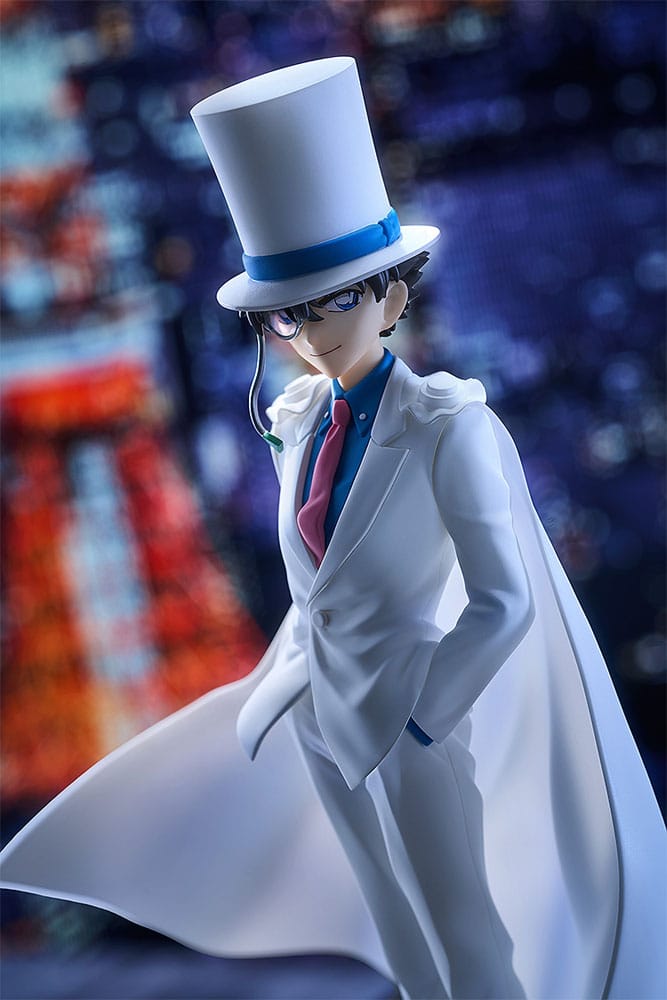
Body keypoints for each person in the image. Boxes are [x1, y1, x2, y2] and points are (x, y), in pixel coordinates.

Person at [1, 57, 664, 1000]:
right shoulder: (301, 419)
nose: (312, 333)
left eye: (338, 301)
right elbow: (317, 590)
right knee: (396, 930)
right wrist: (281, 689)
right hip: (321, 719)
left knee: (463, 929)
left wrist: (425, 720)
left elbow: (503, 600)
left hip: (406, 721)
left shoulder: (447, 428)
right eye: (290, 317)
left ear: (393, 296)